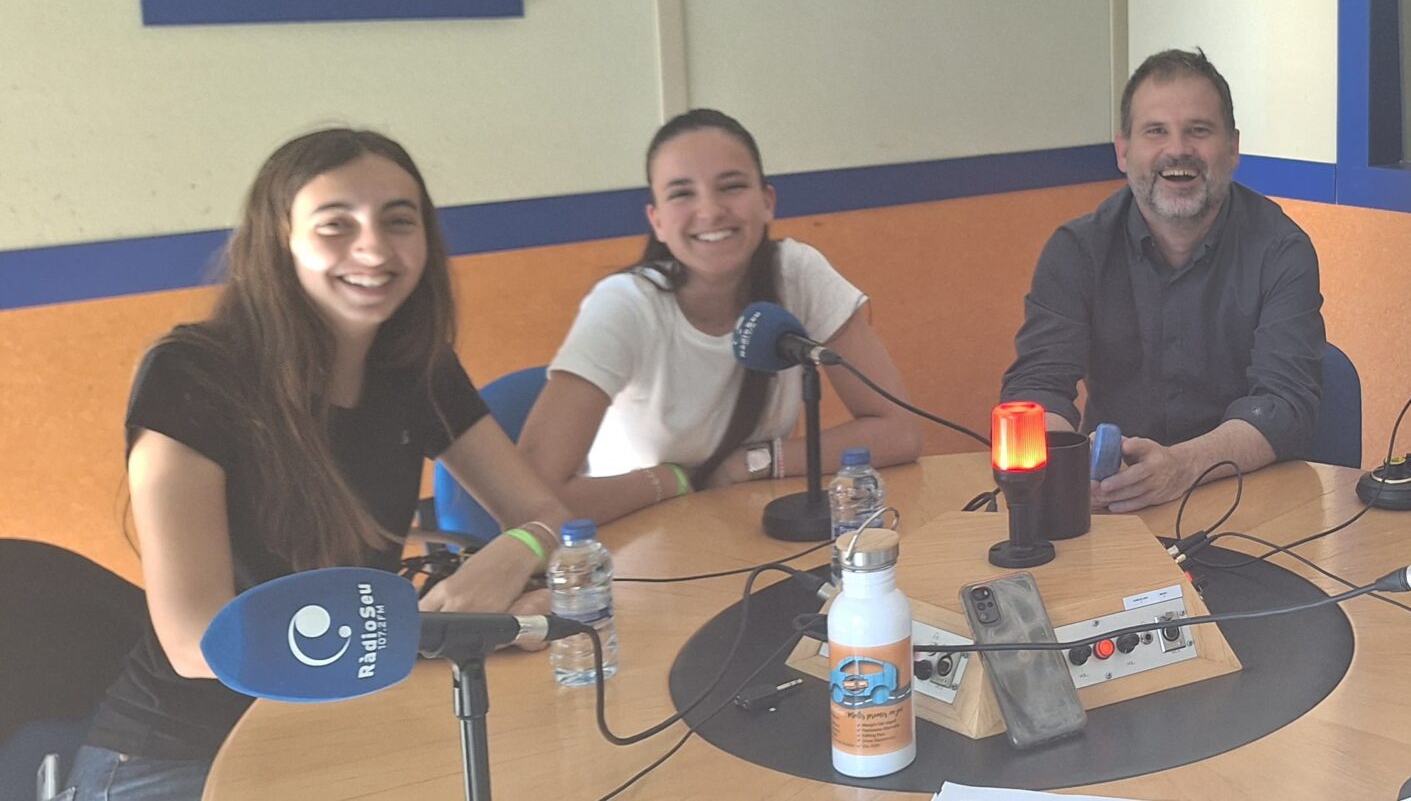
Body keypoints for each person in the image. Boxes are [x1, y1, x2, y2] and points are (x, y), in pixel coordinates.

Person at [71, 130, 572, 800]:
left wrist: (512, 554)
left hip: (344, 720)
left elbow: (543, 512)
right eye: (336, 224)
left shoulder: (414, 367)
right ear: (279, 241)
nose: (375, 249)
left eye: (399, 221)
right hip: (179, 751)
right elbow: (197, 644)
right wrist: (444, 631)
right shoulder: (192, 374)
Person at [517, 110, 920, 525]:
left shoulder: (796, 273)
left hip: (744, 524)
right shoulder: (624, 305)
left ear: (767, 202)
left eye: (731, 187)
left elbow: (898, 431)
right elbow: (532, 497)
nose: (709, 212)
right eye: (682, 193)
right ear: (657, 221)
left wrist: (754, 462)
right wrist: (674, 480)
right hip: (632, 537)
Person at [1001, 48, 1325, 512]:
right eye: (1156, 131)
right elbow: (1038, 388)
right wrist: (1063, 471)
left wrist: (1183, 465)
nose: (1178, 150)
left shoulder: (1281, 250)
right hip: (1112, 499)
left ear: (1233, 148)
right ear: (1123, 151)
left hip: (1247, 499)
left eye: (1199, 130)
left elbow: (1285, 404)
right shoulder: (1075, 251)